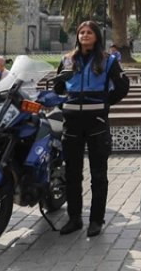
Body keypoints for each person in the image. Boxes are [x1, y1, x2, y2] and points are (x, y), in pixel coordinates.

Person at [53, 21, 130, 237]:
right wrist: (63, 102)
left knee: (98, 173)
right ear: (77, 36)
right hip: (71, 122)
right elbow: (57, 86)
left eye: (89, 32)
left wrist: (105, 103)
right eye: (81, 32)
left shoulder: (108, 60)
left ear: (97, 37)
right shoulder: (67, 60)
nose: (85, 35)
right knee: (72, 173)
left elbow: (123, 86)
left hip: (96, 121)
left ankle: (96, 220)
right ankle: (74, 218)